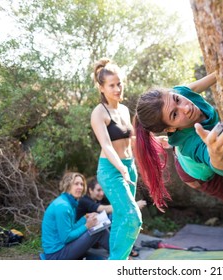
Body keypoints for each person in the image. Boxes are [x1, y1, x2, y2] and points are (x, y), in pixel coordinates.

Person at [133, 72, 223, 259]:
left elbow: (197, 86)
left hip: (196, 155)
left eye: (177, 99)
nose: (185, 107)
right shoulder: (191, 144)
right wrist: (217, 153)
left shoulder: (177, 95)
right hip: (198, 176)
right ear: (170, 129)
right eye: (175, 115)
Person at [90, 58, 141, 260]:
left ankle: (120, 261)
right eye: (112, 85)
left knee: (121, 218)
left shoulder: (124, 110)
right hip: (112, 170)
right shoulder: (98, 113)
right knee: (132, 217)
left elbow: (130, 139)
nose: (117, 88)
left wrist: (156, 142)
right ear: (101, 88)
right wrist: (121, 168)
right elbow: (107, 145)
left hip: (129, 168)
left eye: (119, 83)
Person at [41, 172, 109, 260]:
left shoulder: (69, 202)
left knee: (99, 226)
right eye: (76, 184)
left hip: (62, 248)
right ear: (68, 185)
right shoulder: (63, 206)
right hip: (56, 254)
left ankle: (120, 253)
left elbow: (71, 228)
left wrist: (85, 218)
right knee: (100, 231)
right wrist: (87, 226)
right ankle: (121, 255)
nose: (80, 187)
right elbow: (67, 238)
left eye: (81, 184)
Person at [76, 176, 147, 257]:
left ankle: (123, 246)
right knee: (112, 216)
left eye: (103, 190)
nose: (102, 193)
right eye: (98, 190)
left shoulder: (99, 199)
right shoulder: (84, 201)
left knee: (116, 215)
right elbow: (103, 209)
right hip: (85, 235)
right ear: (90, 190)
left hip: (95, 234)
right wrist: (132, 206)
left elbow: (115, 203)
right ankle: (120, 250)